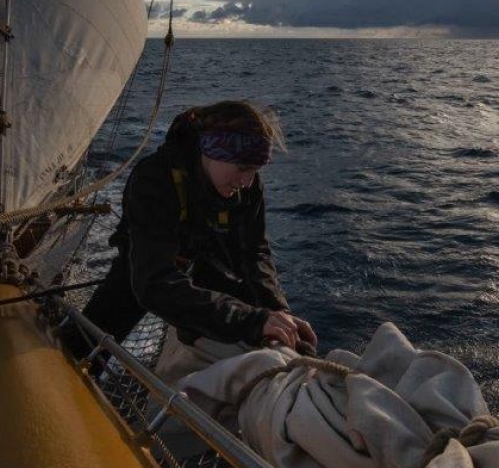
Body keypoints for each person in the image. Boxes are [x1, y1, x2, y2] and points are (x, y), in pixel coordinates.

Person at [68, 100, 316, 373]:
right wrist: (250, 320)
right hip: (145, 264)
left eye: (255, 170)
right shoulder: (154, 179)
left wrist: (278, 314)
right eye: (243, 167)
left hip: (205, 260)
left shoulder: (248, 187)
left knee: (255, 319)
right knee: (84, 345)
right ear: (213, 152)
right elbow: (154, 283)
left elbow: (253, 253)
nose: (247, 181)